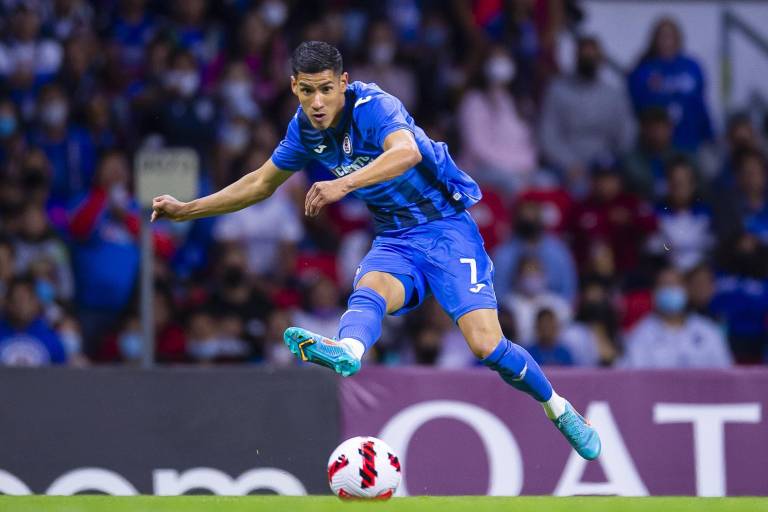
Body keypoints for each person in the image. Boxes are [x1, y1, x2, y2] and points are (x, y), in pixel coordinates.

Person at [151, 41, 600, 460]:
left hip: (446, 230)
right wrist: (189, 209)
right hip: (395, 238)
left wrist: (343, 184)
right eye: (307, 91)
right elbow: (259, 183)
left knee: (486, 344)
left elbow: (406, 153)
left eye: (326, 89)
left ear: (343, 83)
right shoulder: (303, 129)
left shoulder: (373, 106)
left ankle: (559, 408)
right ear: (294, 88)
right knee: (371, 287)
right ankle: (349, 349)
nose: (317, 102)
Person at [539, 36, 634, 196]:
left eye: (593, 57)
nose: (589, 61)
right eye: (584, 57)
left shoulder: (613, 94)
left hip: (605, 164)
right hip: (567, 164)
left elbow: (626, 132)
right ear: (576, 58)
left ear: (600, 60)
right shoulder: (558, 90)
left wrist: (612, 162)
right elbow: (548, 134)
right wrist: (569, 163)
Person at [622, 267, 732, 368]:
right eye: (665, 285)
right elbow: (633, 376)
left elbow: (724, 372)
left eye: (675, 285)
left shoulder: (708, 330)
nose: (670, 289)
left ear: (686, 290)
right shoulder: (641, 334)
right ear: (654, 293)